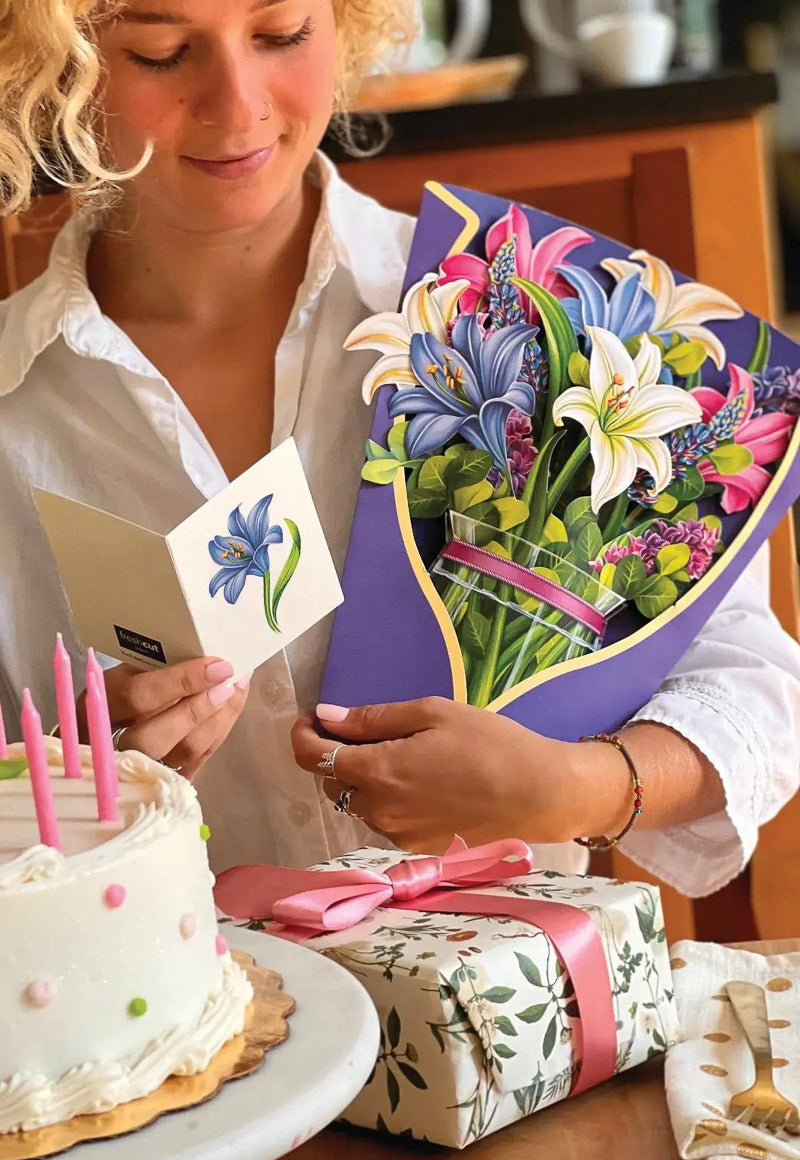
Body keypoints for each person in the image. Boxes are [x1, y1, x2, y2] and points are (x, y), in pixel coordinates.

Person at [0, 0, 798, 899]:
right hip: (188, 1034)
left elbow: (754, 685)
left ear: (347, 23)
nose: (237, 103)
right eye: (162, 52)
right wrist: (50, 795)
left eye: (281, 35)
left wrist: (576, 787)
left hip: (516, 1008)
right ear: (56, 65)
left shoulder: (531, 316)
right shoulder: (15, 413)